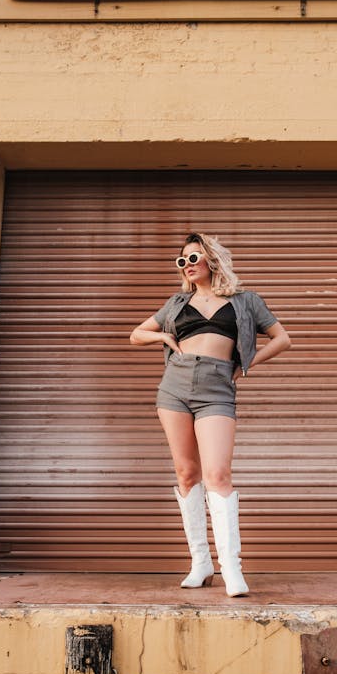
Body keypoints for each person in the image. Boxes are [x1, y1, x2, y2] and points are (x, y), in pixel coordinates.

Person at [130, 233, 291, 596]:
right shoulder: (176, 302)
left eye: (194, 258)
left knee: (218, 473)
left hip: (217, 387)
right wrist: (162, 339)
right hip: (174, 386)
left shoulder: (245, 301)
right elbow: (135, 335)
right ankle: (200, 563)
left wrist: (245, 366)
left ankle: (231, 568)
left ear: (212, 260)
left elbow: (282, 339)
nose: (187, 265)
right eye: (182, 261)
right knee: (187, 474)